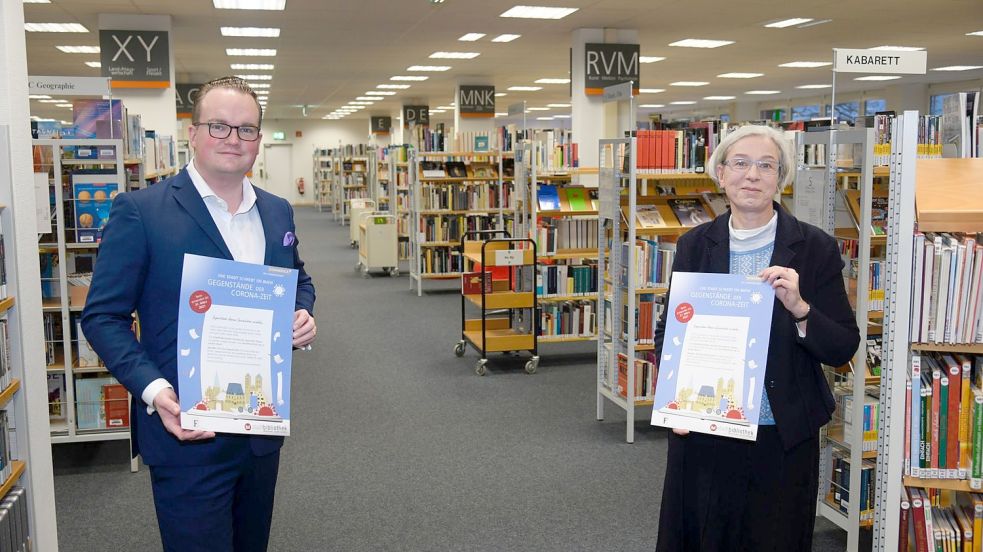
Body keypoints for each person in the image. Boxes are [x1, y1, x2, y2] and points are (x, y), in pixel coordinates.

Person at [80, 76, 316, 552]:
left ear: (259, 139)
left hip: (259, 431)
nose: (234, 139)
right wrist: (154, 390)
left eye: (247, 129)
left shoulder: (276, 212)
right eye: (220, 126)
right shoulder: (141, 211)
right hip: (186, 431)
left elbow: (299, 280)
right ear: (192, 133)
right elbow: (102, 317)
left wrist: (302, 314)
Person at [653, 125, 860, 551]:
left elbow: (842, 346)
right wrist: (676, 399)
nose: (752, 175)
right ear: (721, 175)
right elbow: (668, 332)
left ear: (780, 178)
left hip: (781, 434)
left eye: (766, 165)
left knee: (774, 539)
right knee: (703, 536)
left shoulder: (814, 247)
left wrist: (801, 308)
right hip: (707, 428)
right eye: (741, 164)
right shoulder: (695, 244)